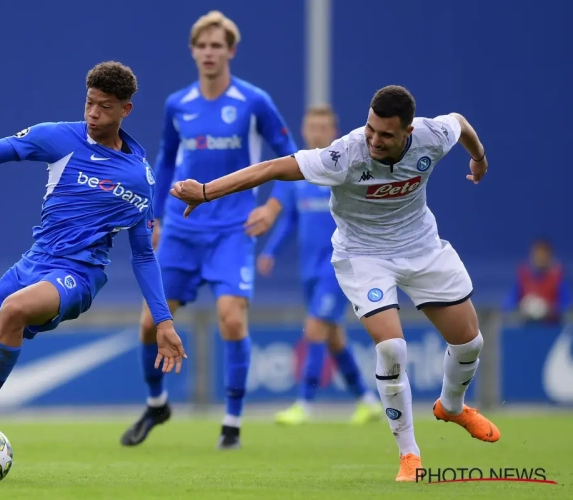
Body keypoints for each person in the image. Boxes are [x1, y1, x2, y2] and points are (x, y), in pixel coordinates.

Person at [169, 85, 499, 482]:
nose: (374, 140)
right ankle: (409, 454)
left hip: (422, 248)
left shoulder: (432, 134)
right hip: (364, 256)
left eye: (386, 135)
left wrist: (478, 159)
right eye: (371, 129)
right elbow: (273, 168)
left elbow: (460, 123)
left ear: (409, 131)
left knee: (469, 343)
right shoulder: (343, 154)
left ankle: (452, 406)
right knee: (392, 348)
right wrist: (207, 192)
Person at [0, 61, 187, 478]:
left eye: (104, 106)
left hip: (78, 276)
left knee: (12, 310)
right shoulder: (58, 137)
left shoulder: (137, 177)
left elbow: (142, 255)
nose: (93, 113)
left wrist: (163, 320)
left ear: (126, 110)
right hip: (34, 262)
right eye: (89, 103)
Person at [120, 11, 297, 450]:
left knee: (232, 320)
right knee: (148, 324)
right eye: (202, 45)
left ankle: (232, 425)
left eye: (218, 45)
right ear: (193, 51)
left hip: (233, 231)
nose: (209, 52)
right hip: (182, 230)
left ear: (231, 51)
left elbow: (292, 158)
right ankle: (157, 403)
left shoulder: (254, 101)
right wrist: (153, 217)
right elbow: (164, 163)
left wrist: (274, 205)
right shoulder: (178, 104)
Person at [254, 105, 380, 426]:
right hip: (309, 269)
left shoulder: (344, 170)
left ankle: (304, 404)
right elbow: (290, 220)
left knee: (315, 328)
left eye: (325, 126)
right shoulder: (300, 173)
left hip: (338, 266)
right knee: (333, 336)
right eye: (313, 126)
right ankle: (366, 399)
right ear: (305, 129)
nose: (318, 132)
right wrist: (270, 252)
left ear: (334, 130)